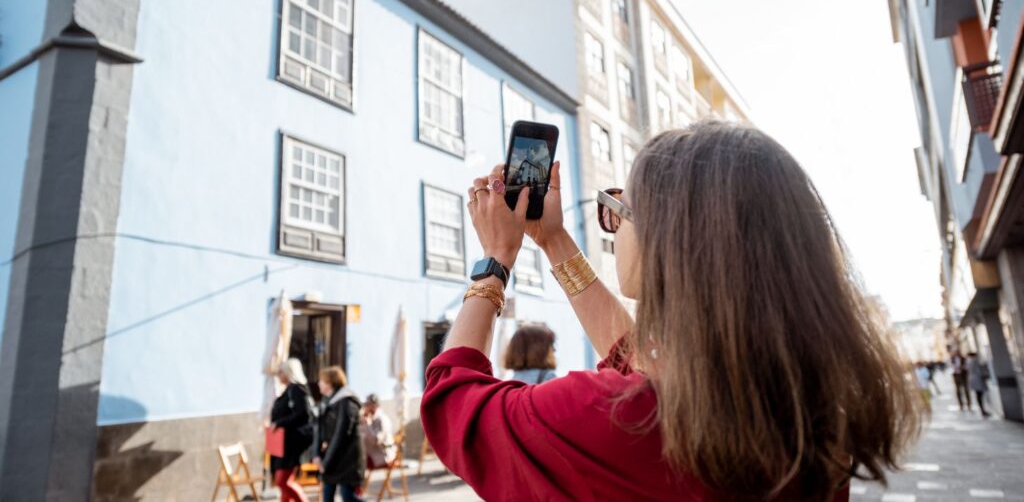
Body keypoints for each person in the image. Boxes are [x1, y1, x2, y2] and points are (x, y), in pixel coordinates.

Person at [422, 121, 922, 501]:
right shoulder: (805, 412)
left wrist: (495, 261)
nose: (613, 226)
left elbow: (453, 406)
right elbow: (634, 359)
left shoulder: (623, 422)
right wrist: (552, 241)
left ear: (672, 241)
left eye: (619, 209)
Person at [314, 366, 366, 502]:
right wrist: (316, 455)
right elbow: (318, 429)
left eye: (321, 380)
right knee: (328, 494)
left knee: (347, 497)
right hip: (333, 459)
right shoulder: (326, 401)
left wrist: (325, 462)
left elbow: (340, 435)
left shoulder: (347, 402)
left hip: (348, 460)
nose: (318, 383)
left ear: (330, 383)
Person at [270, 358, 314, 502]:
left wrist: (279, 423)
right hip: (284, 441)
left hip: (292, 442)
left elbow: (303, 414)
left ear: (289, 372)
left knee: (282, 481)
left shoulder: (297, 389)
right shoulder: (288, 390)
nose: (278, 375)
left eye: (281, 372)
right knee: (285, 480)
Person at [361, 394, 397, 468]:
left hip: (382, 456)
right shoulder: (371, 418)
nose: (365, 407)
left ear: (375, 406)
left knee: (355, 463)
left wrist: (366, 424)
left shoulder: (382, 419)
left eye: (368, 405)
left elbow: (375, 440)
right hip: (373, 454)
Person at [967, 352, 992, 417]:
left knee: (978, 395)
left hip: (973, 379)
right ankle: (982, 410)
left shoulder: (968, 361)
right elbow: (979, 371)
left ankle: (982, 409)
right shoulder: (974, 361)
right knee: (979, 395)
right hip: (977, 379)